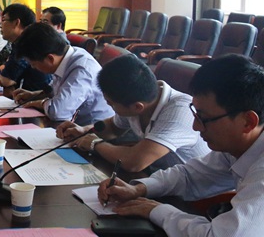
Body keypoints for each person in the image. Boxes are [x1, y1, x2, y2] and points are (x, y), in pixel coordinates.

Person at [99, 55, 264, 237]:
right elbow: (190, 175)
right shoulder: (236, 145)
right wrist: (139, 189)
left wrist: (157, 211)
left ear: (248, 122)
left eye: (203, 117)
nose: (195, 126)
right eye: (195, 112)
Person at [57, 54, 209, 172]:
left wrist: (95, 143)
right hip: (160, 177)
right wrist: (84, 131)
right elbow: (113, 127)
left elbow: (135, 162)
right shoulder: (140, 96)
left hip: (193, 192)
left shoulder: (180, 112)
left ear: (137, 107)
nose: (108, 106)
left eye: (111, 104)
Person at [13, 22, 114, 125]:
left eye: (33, 64)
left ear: (50, 58)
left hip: (95, 129)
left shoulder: (82, 70)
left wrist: (41, 103)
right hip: (74, 125)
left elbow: (58, 112)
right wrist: (33, 95)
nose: (33, 67)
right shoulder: (67, 56)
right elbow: (55, 92)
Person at [0, 3, 51, 98]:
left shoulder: (27, 43)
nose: (0, 25)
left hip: (37, 101)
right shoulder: (20, 41)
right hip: (27, 97)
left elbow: (6, 81)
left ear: (16, 23)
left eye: (3, 20)